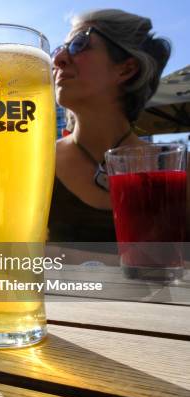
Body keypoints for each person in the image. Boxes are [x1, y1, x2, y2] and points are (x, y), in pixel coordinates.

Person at [48, 9, 171, 242]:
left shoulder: (175, 170)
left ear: (126, 69)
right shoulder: (36, 166)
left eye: (79, 43)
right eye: (58, 49)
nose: (58, 60)